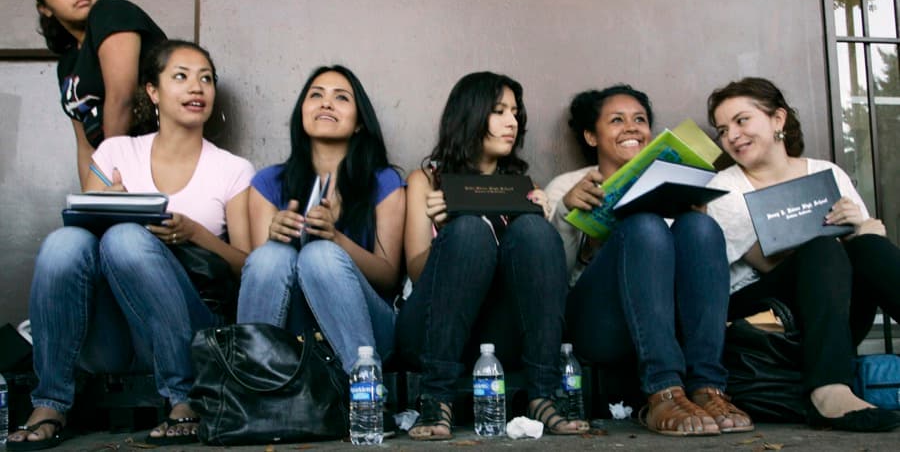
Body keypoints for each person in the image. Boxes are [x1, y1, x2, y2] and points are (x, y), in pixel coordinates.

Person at [8, 40, 254, 450]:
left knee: (126, 237)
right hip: (111, 338)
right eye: (181, 76)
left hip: (187, 329)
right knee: (63, 243)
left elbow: (245, 265)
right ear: (153, 92)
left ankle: (183, 398)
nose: (197, 87)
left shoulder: (232, 169)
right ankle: (50, 402)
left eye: (206, 79)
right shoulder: (117, 152)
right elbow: (80, 246)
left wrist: (196, 233)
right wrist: (108, 207)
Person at [545, 85, 753, 436]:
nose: (631, 127)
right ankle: (663, 390)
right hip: (599, 325)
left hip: (668, 323)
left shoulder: (674, 184)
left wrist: (695, 212)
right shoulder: (568, 186)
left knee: (699, 226)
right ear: (591, 136)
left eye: (639, 119)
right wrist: (568, 215)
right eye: (616, 120)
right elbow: (552, 282)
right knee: (643, 225)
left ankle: (707, 388)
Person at [396, 71, 589, 440]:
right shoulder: (428, 180)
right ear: (470, 114)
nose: (512, 122)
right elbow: (419, 274)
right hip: (432, 330)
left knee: (535, 231)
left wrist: (539, 218)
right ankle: (436, 397)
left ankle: (543, 394)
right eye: (499, 111)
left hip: (500, 336)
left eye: (515, 113)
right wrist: (447, 234)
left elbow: (538, 284)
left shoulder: (523, 187)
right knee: (468, 230)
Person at [705, 77, 900, 432]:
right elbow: (769, 261)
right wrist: (841, 237)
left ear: (778, 119)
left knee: (868, 246)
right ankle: (829, 390)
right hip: (766, 314)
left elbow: (874, 238)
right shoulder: (724, 187)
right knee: (825, 248)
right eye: (722, 129)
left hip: (833, 307)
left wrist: (859, 224)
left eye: (741, 120)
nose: (732, 135)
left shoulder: (826, 173)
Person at [236, 65, 405, 376]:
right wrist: (273, 237)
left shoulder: (383, 181)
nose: (326, 103)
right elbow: (261, 278)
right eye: (316, 95)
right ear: (302, 113)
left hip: (366, 330)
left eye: (341, 98)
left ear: (358, 123)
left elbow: (389, 276)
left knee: (320, 254)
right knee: (269, 256)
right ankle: (253, 388)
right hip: (292, 327)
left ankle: (365, 387)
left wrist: (336, 240)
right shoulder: (268, 182)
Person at [26, 0, 167, 189]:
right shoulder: (67, 64)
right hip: (111, 176)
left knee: (122, 229)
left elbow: (121, 98)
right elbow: (84, 146)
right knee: (71, 229)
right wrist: (89, 201)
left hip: (152, 169)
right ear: (45, 8)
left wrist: (110, 176)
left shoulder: (110, 12)